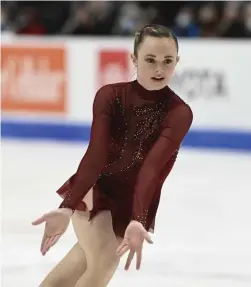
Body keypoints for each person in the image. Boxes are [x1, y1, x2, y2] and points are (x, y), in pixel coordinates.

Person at [32, 24, 193, 287]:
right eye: (150, 60)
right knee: (105, 262)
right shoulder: (111, 96)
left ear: (177, 62)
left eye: (168, 61)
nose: (159, 69)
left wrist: (138, 218)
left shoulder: (179, 113)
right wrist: (67, 206)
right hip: (96, 190)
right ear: (134, 59)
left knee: (73, 272)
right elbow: (96, 153)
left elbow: (151, 169)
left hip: (132, 201)